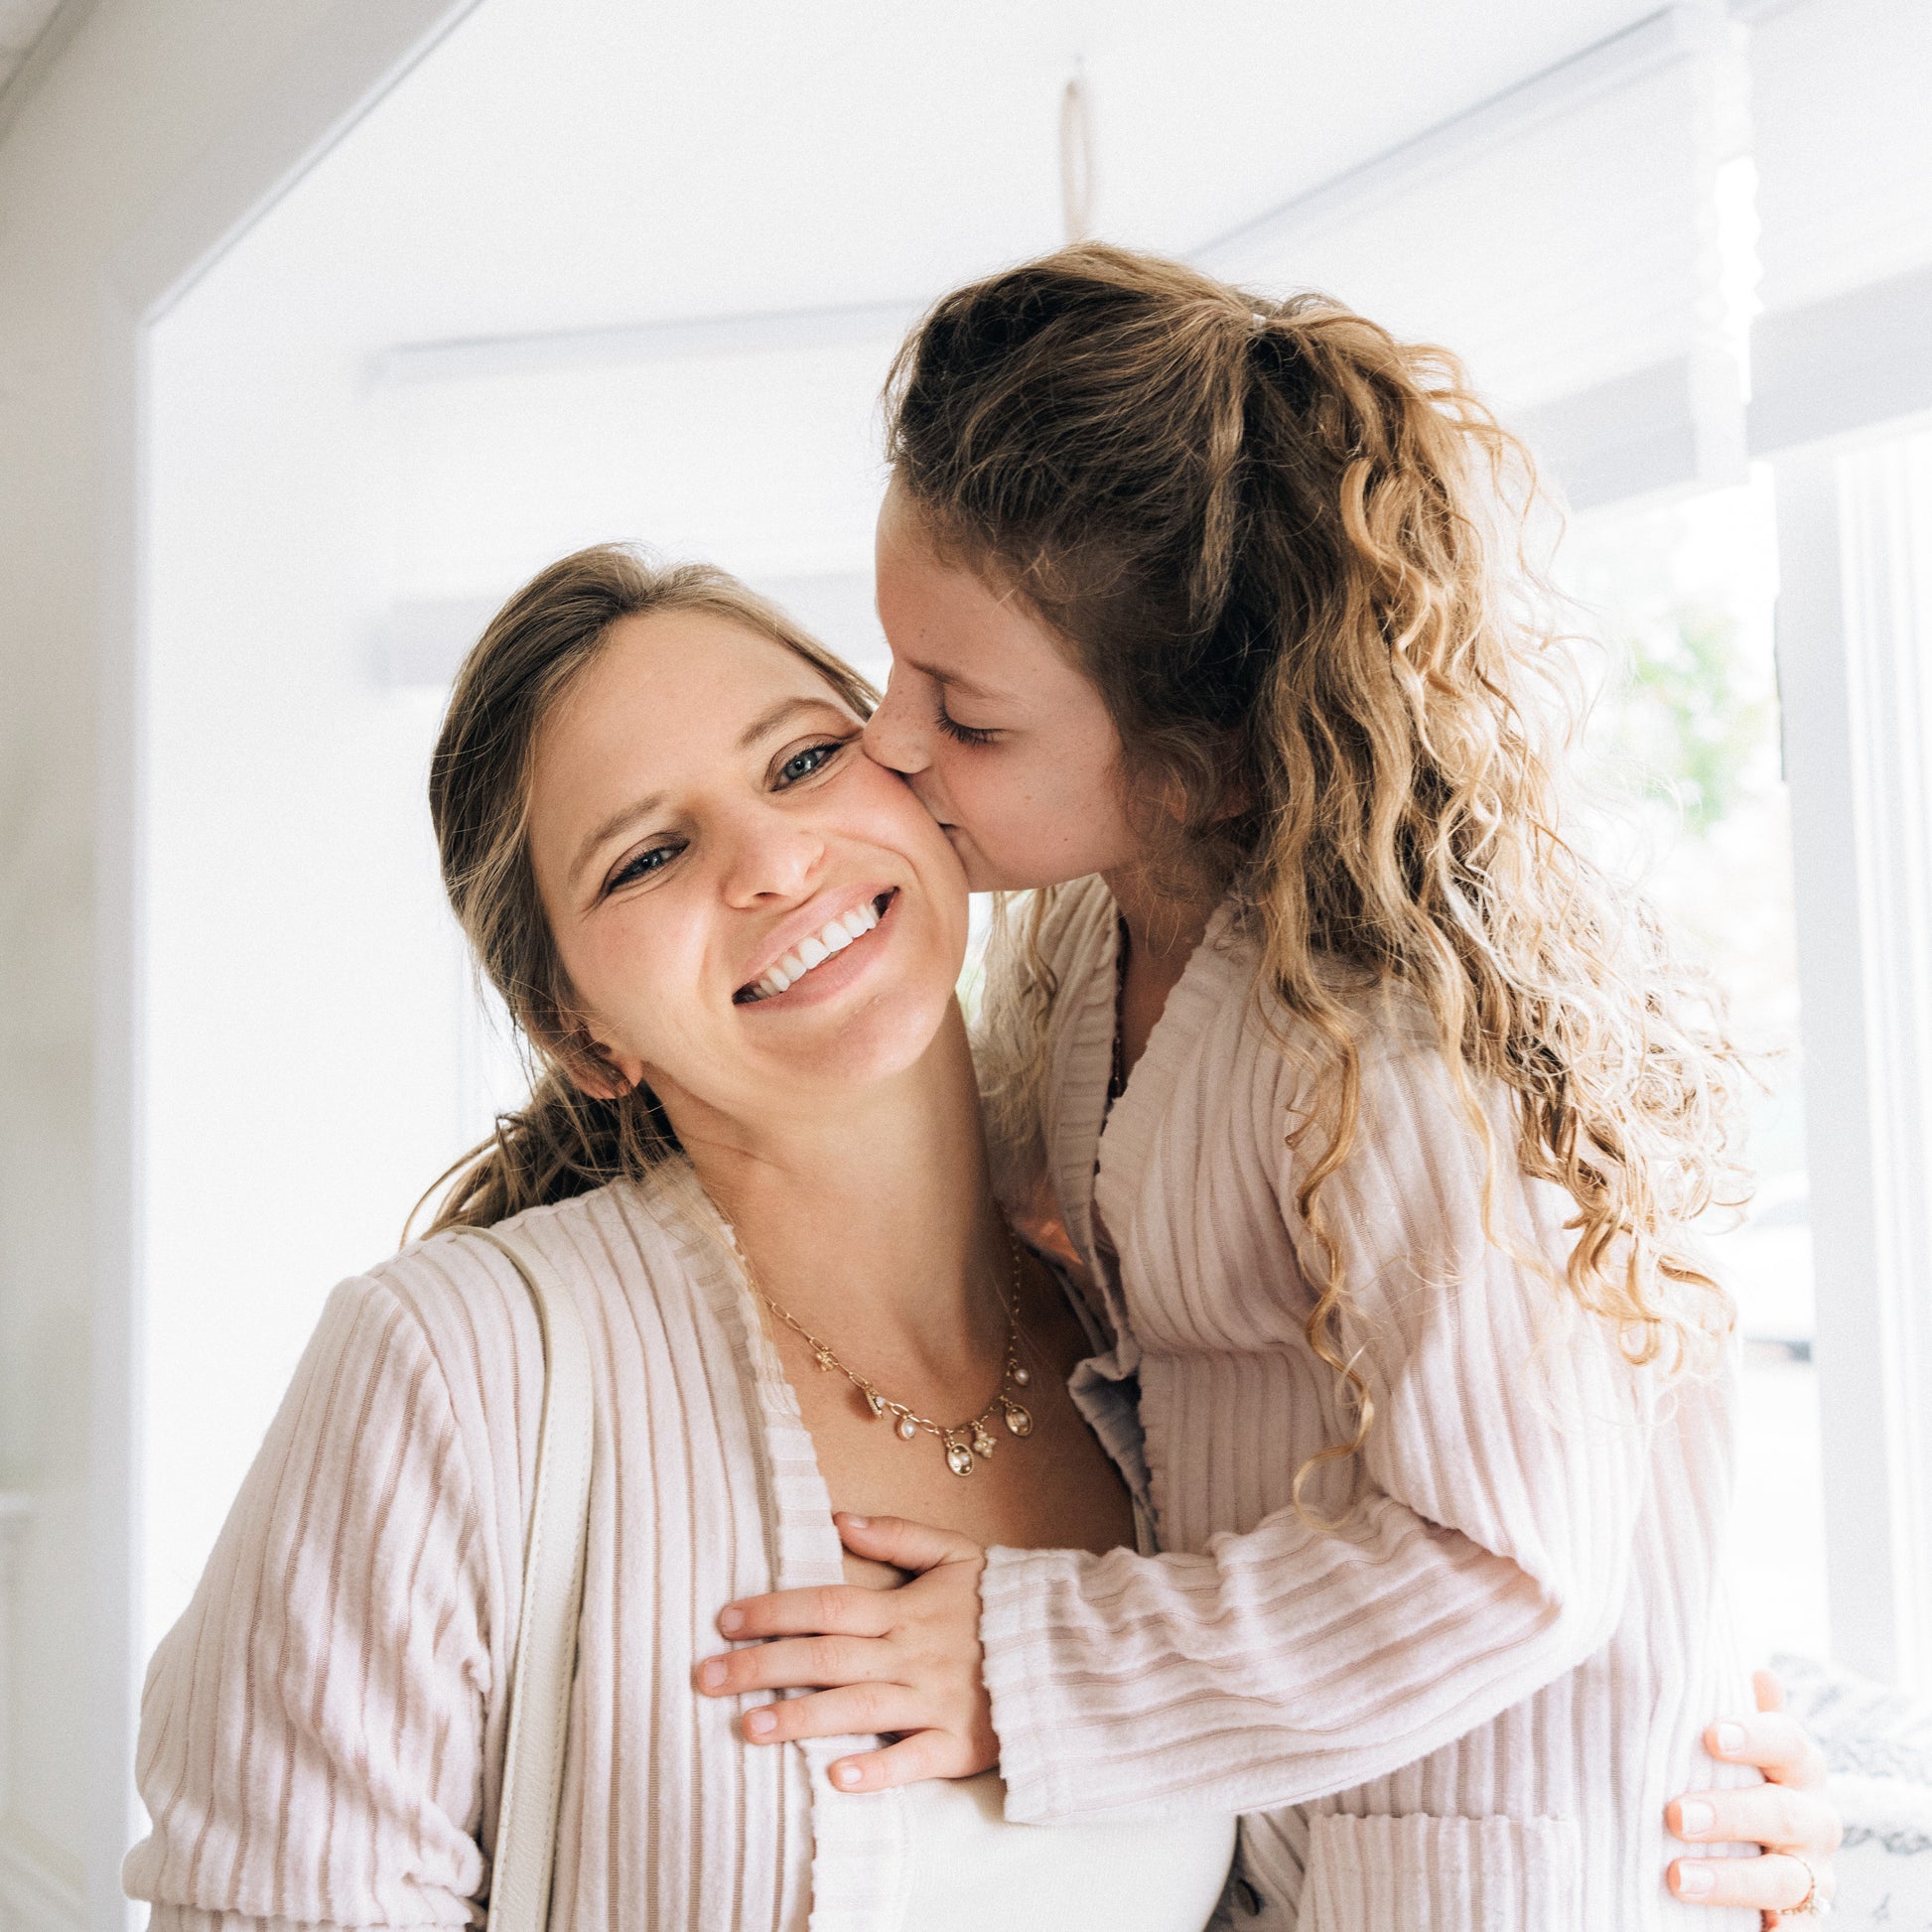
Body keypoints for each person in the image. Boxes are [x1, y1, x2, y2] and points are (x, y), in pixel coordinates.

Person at [694, 245, 1842, 1927]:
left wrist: (1028, 1664)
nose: (891, 742)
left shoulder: (1391, 1048)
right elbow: (972, 1187)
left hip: (1515, 1863)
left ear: (1198, 760)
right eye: (890, 669)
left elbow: (1503, 1559)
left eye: (968, 715)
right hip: (1297, 1822)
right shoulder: (1096, 940)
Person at [123, 549, 1239, 1931]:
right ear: (578, 1028)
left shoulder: (1164, 1336)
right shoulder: (452, 1364)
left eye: (802, 761)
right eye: (649, 855)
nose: (773, 860)